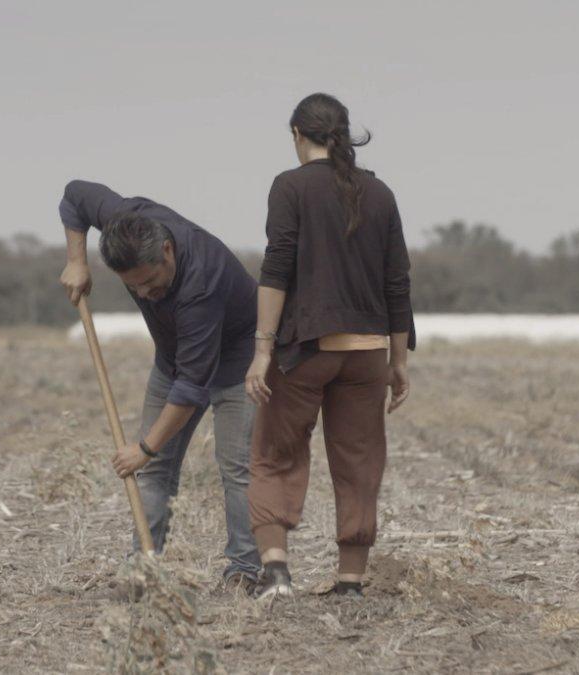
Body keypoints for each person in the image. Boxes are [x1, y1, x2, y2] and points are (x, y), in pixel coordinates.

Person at [245, 93, 415, 600]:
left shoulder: (290, 187)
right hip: (367, 352)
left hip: (306, 350)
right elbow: (397, 283)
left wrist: (262, 351)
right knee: (360, 461)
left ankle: (276, 572)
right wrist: (399, 362)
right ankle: (350, 582)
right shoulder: (379, 194)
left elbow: (276, 270)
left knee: (275, 453)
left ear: (299, 134)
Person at [57, 180, 262, 591]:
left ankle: (244, 570)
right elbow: (74, 195)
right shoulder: (125, 222)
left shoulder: (200, 284)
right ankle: (143, 570)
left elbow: (190, 389)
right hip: (174, 359)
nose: (146, 294)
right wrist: (76, 261)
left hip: (239, 359)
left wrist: (145, 448)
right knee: (153, 473)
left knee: (236, 467)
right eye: (134, 287)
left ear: (167, 251)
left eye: (152, 282)